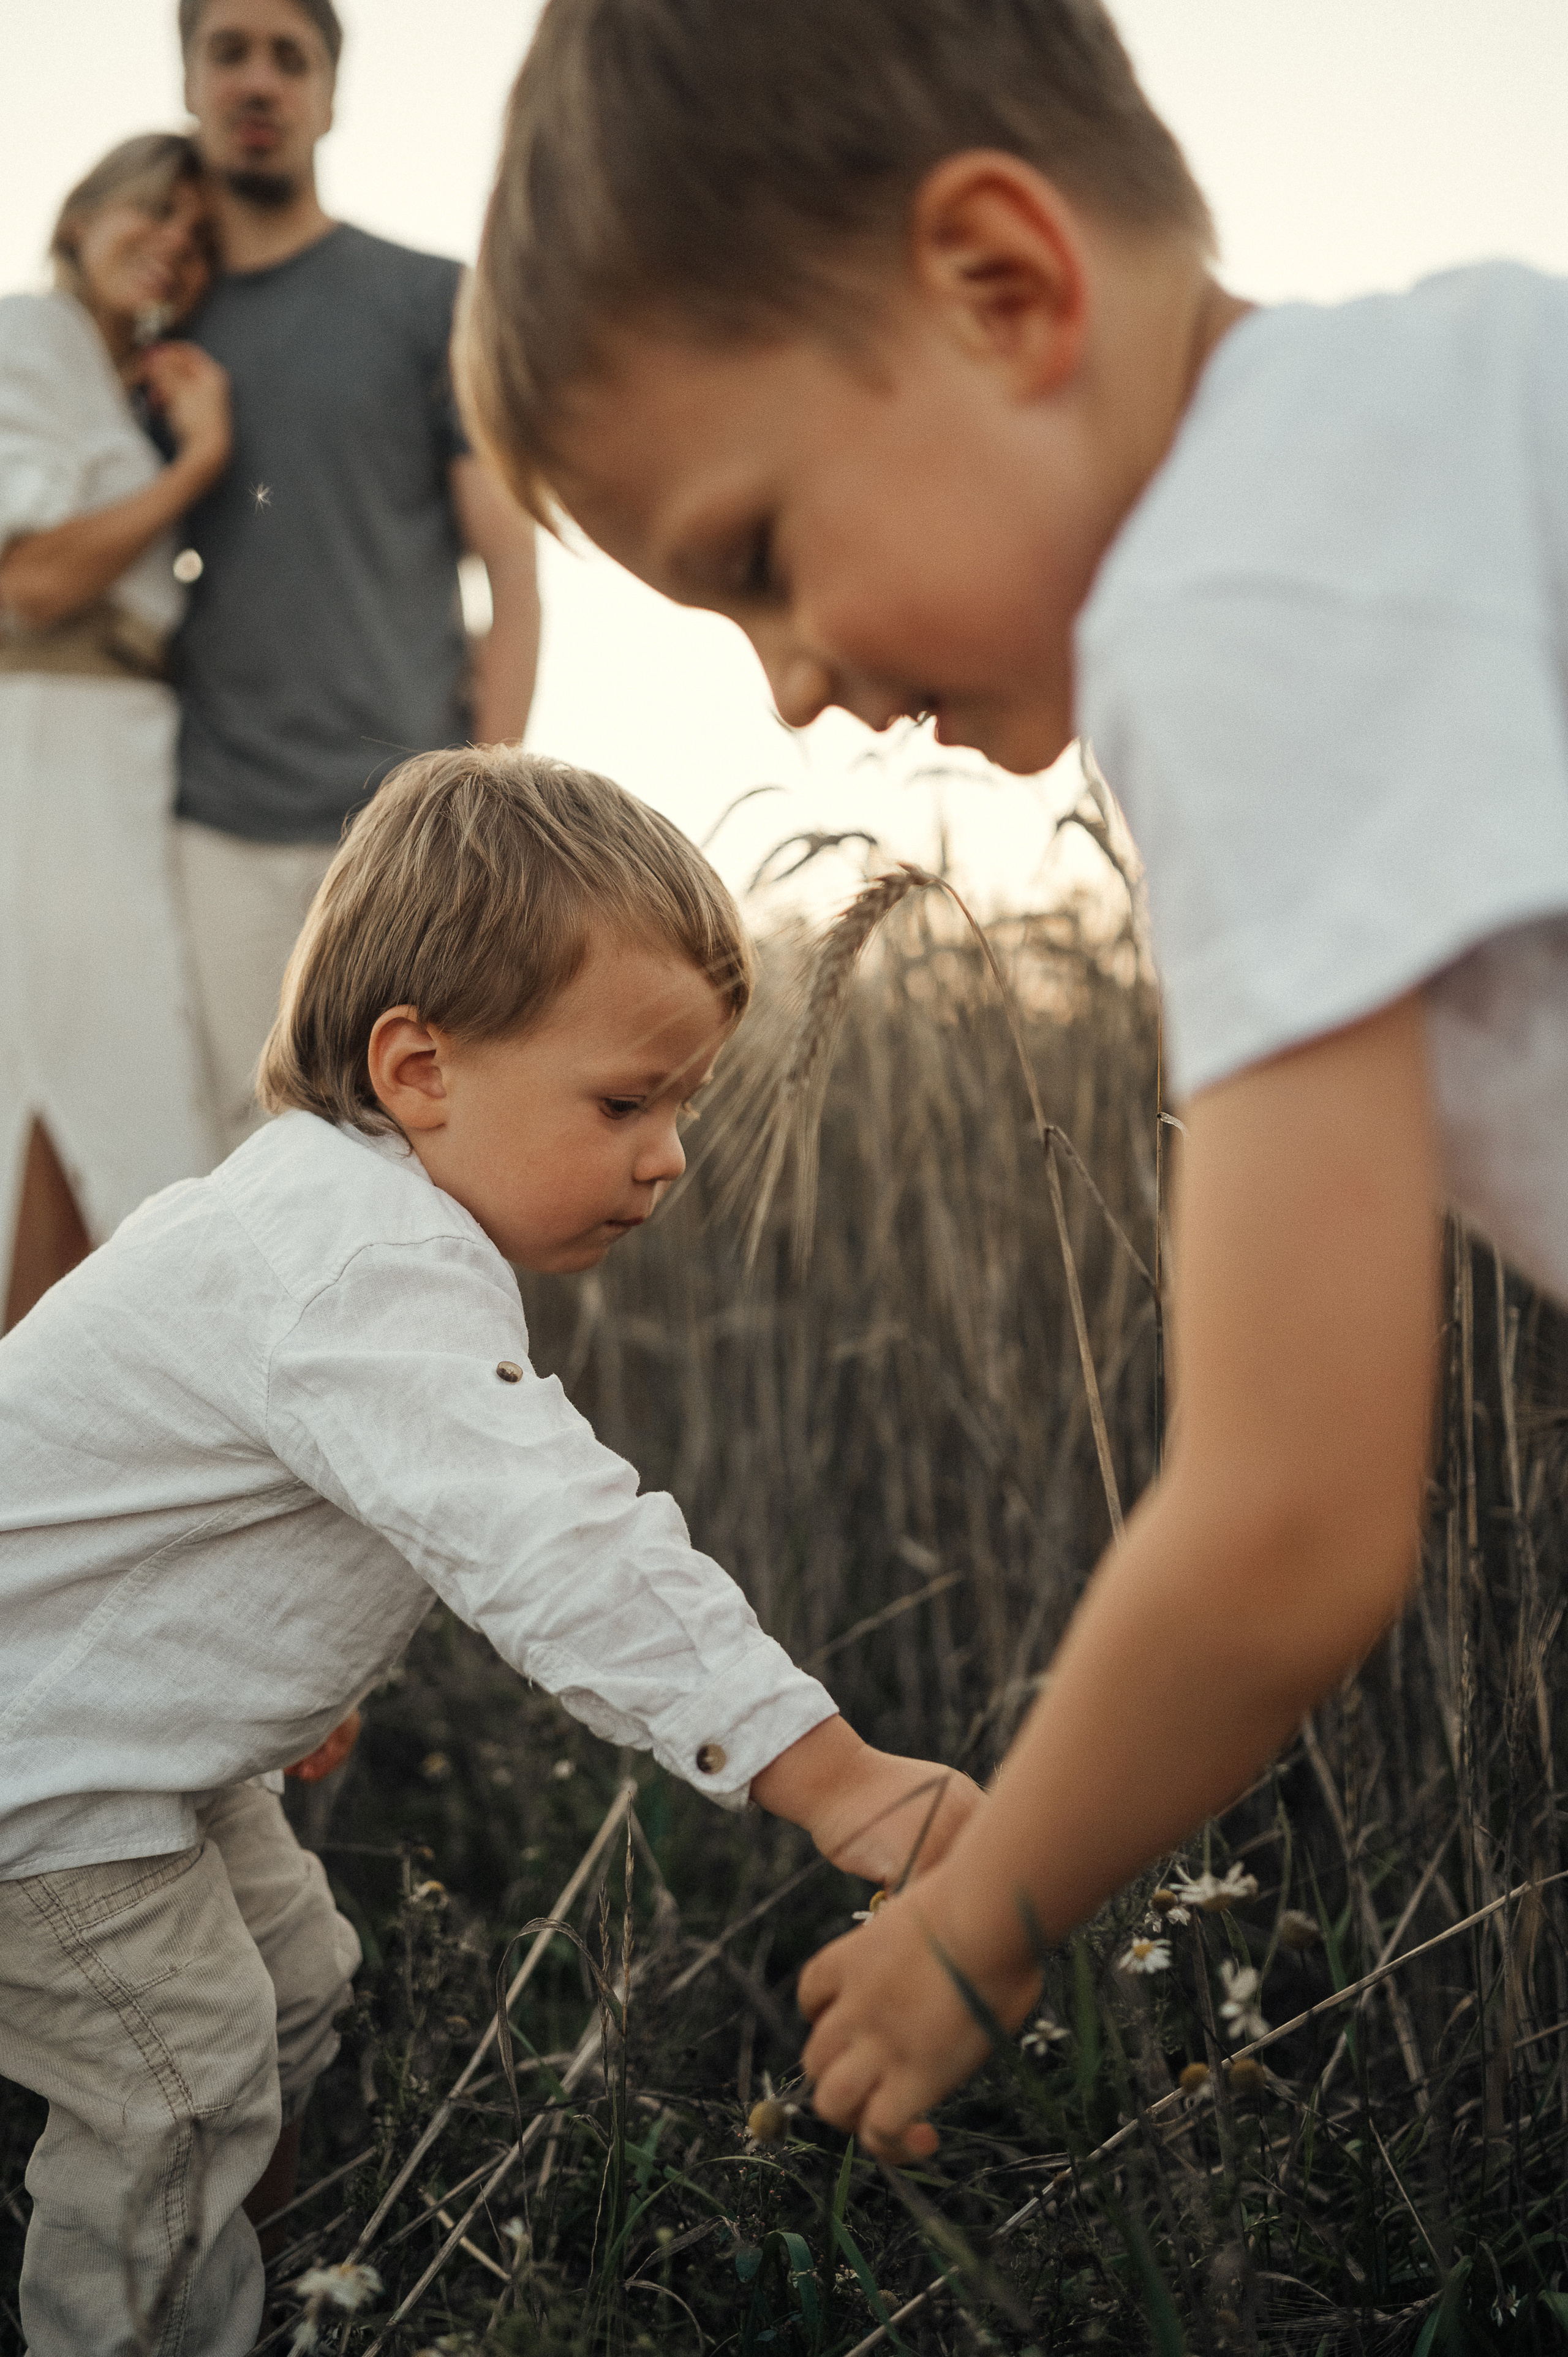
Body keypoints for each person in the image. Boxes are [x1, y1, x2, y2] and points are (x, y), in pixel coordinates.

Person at [456, 0, 1568, 2158]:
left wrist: (980, 1913)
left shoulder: (1230, 594)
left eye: (761, 552)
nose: (789, 691)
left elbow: (1285, 1513)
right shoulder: (1471, 384)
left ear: (1004, 286)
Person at [0, 745, 982, 2357]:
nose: (670, 1153)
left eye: (688, 1103)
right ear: (420, 1069)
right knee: (176, 2078)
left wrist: (259, 1678)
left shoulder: (340, 1226)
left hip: (97, 1730)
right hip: (36, 1762)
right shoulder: (358, 1260)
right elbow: (551, 1537)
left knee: (299, 1982)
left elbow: (215, 1511)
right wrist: (829, 1772)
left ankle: (279, 2272)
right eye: (627, 1100)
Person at [173, 0, 543, 1159]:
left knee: (416, 1156)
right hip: (210, 825)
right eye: (228, 51)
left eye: (291, 57)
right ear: (190, 80)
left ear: (330, 95)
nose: (258, 81)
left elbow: (514, 572)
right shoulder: (158, 324)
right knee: (245, 1165)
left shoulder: (426, 298)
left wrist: (479, 804)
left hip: (394, 824)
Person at [0, 134, 228, 1330]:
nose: (174, 246)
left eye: (197, 238)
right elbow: (32, 579)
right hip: (51, 749)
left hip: (115, 751)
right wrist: (198, 464)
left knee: (59, 1091)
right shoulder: (31, 336)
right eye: (152, 212)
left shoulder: (109, 372)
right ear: (82, 214)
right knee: (111, 1086)